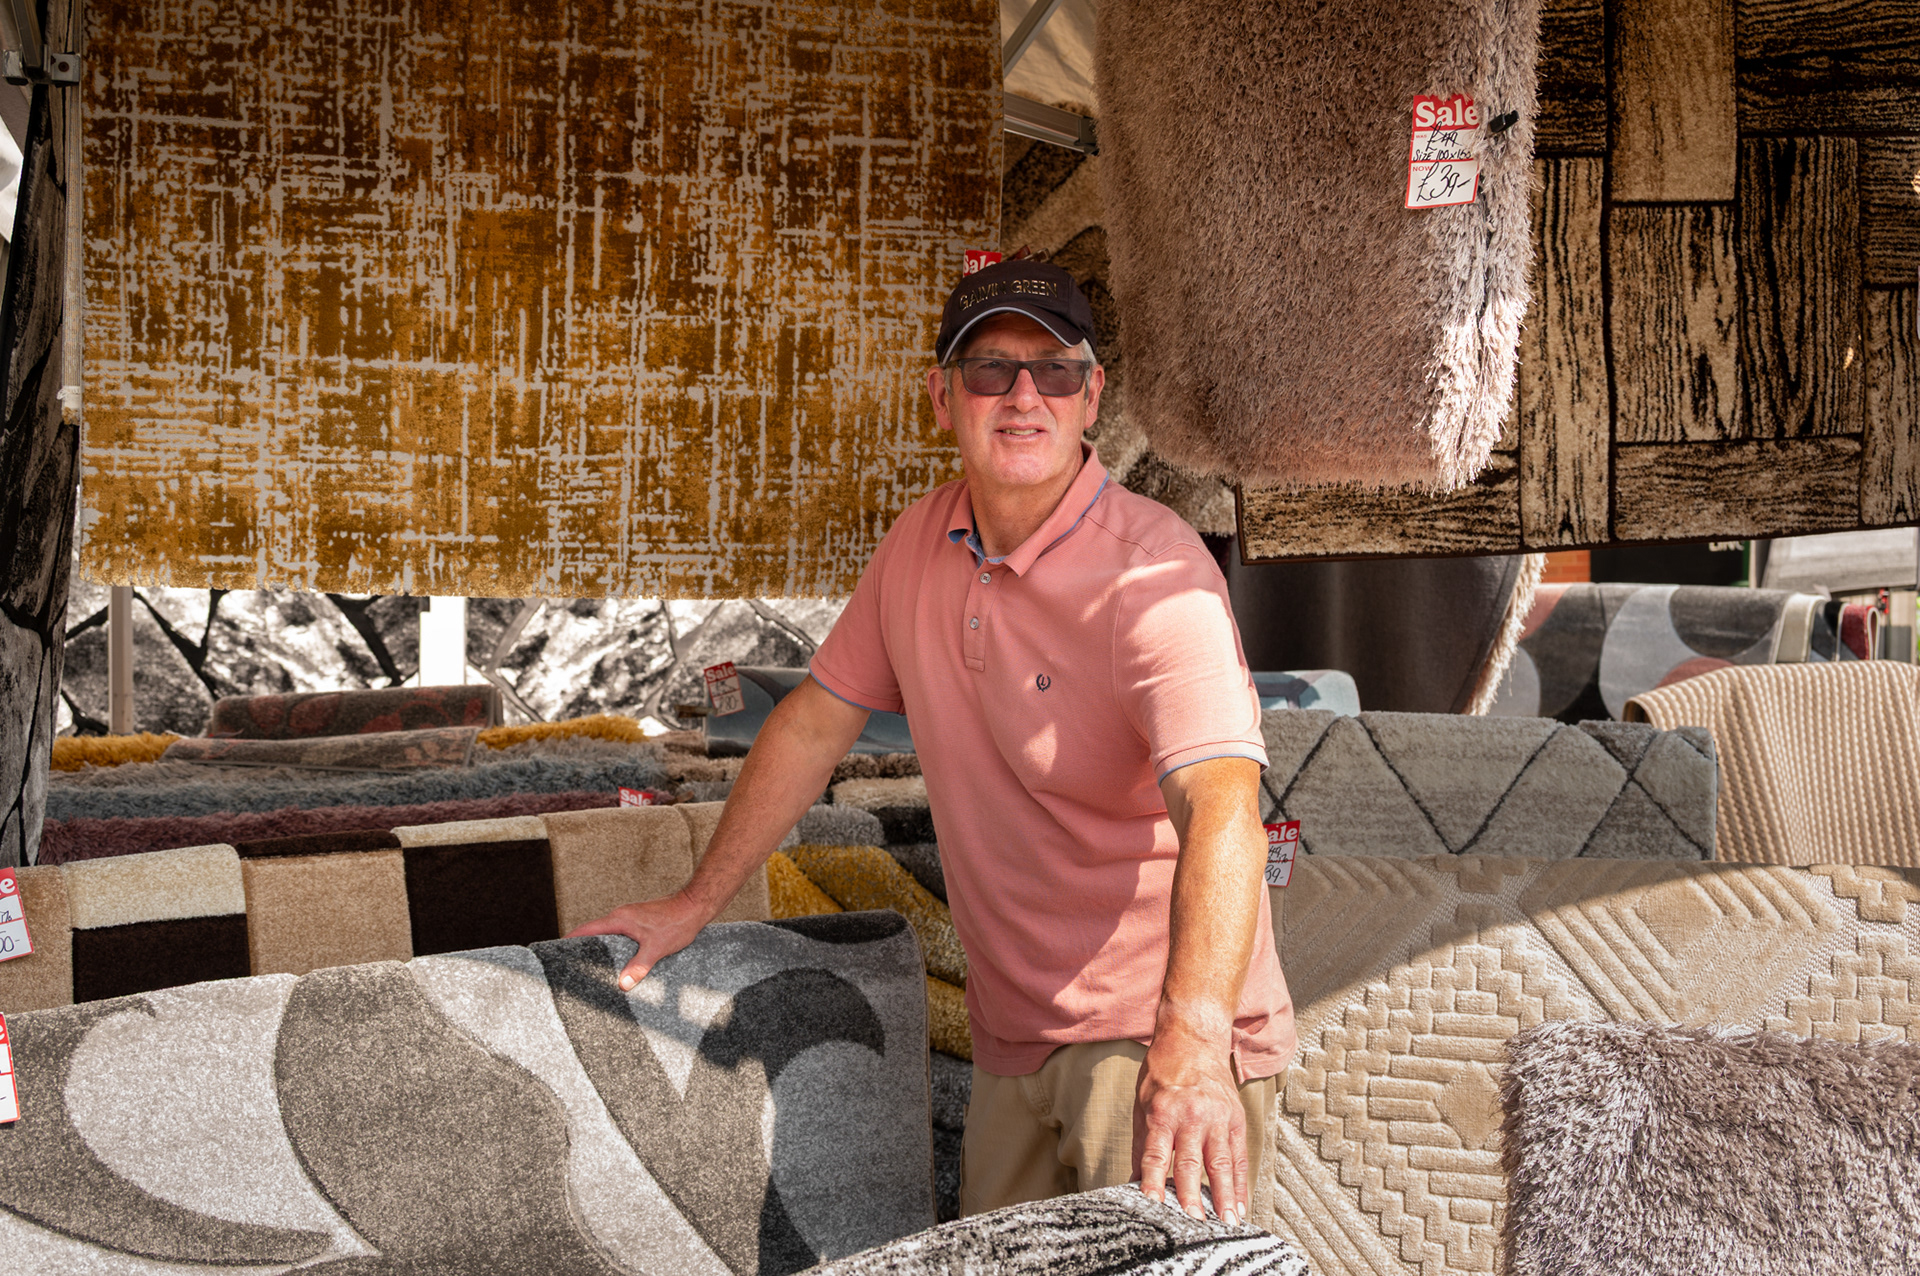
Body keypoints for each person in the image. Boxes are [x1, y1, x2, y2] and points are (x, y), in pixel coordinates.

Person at [571, 258, 1294, 1228]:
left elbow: (1226, 812)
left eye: (1056, 371)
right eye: (991, 368)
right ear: (941, 394)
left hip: (1150, 1040)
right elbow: (811, 724)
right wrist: (698, 901)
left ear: (1093, 399)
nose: (1023, 395)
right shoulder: (916, 547)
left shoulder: (1155, 573)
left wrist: (1196, 1041)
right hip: (1013, 1040)